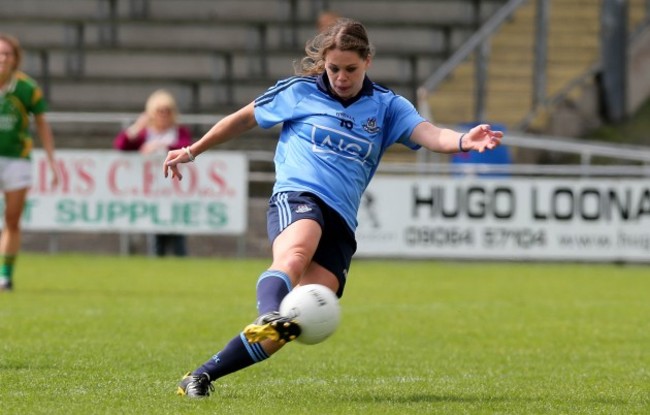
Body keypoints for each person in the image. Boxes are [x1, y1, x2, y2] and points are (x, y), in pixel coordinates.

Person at [164, 18, 504, 398]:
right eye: (334, 68)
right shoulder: (299, 93)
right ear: (324, 63)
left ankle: (201, 376)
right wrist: (193, 150)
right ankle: (267, 311)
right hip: (298, 195)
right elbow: (244, 118)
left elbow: (430, 134)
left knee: (296, 321)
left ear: (368, 62)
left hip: (342, 219)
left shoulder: (388, 107)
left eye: (351, 69)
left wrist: (463, 140)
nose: (341, 77)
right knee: (295, 251)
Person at [0, 33, 58, 292]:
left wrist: (51, 160)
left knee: (12, 220)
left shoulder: (27, 88)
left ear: (15, 58)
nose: (2, 58)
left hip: (17, 160)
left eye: (7, 53)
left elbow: (42, 125)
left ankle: (5, 276)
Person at [114, 89, 192, 257]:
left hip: (176, 192)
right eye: (159, 111)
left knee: (177, 234)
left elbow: (187, 146)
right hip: (150, 193)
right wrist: (137, 127)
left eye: (167, 111)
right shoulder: (145, 133)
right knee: (155, 238)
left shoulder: (180, 132)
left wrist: (159, 147)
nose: (163, 115)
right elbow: (121, 145)